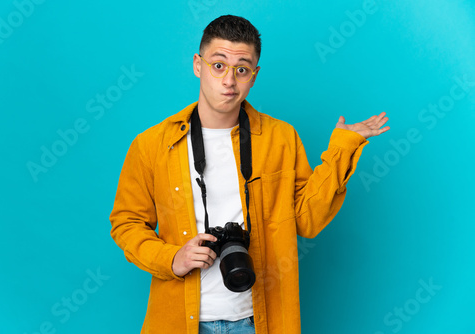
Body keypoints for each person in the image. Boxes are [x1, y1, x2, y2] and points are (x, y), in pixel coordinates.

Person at [109, 15, 389, 334]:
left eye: (241, 69)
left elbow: (307, 221)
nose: (229, 81)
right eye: (218, 65)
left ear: (253, 76)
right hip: (180, 320)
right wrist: (172, 258)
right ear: (197, 65)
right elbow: (127, 222)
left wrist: (342, 149)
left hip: (260, 321)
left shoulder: (281, 138)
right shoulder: (152, 145)